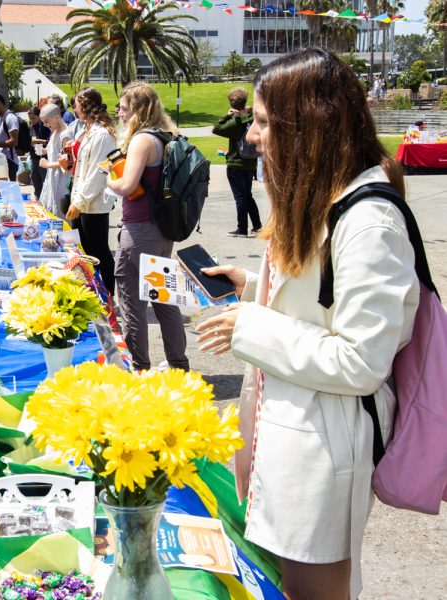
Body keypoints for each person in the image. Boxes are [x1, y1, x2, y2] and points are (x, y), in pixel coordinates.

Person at [194, 48, 419, 600]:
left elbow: (362, 360)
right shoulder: (322, 197)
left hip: (323, 446)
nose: (251, 136)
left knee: (310, 589)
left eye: (266, 122)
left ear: (308, 126)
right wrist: (255, 286)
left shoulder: (369, 221)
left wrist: (249, 326)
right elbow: (323, 302)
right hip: (290, 427)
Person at [106, 82, 189, 372]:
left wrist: (108, 178)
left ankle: (138, 365)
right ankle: (178, 364)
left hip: (139, 229)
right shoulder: (167, 136)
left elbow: (127, 186)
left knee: (132, 302)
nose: (120, 114)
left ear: (138, 111)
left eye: (125, 109)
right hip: (162, 229)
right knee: (164, 298)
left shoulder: (142, 140)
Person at [66, 87, 117, 294]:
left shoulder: (103, 135)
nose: (75, 110)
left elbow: (98, 172)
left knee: (99, 251)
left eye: (77, 105)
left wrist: (80, 202)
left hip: (93, 204)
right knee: (85, 252)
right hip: (82, 200)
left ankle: (109, 295)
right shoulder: (86, 131)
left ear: (84, 106)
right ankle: (92, 291)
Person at [213, 87, 262, 238]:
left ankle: (242, 229)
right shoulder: (251, 119)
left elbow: (217, 128)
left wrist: (227, 117)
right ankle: (257, 226)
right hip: (251, 163)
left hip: (236, 163)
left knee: (240, 197)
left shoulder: (235, 123)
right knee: (248, 196)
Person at [37, 103, 72, 219]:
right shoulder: (55, 131)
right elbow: (55, 150)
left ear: (56, 117)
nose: (45, 125)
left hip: (61, 182)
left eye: (46, 121)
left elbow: (69, 162)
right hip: (52, 180)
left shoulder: (66, 134)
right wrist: (44, 151)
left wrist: (48, 164)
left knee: (60, 218)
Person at [0, 92, 20, 181]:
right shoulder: (0, 118)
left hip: (10, 162)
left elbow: (14, 141)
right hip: (2, 161)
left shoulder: (10, 118)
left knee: (9, 192)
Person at [28, 106, 51, 200]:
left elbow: (49, 141)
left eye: (33, 118)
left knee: (45, 180)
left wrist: (39, 141)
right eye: (30, 119)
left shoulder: (44, 127)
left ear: (39, 116)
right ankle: (38, 198)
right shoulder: (31, 128)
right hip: (33, 157)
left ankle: (46, 200)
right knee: (35, 179)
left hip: (43, 157)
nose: (31, 120)